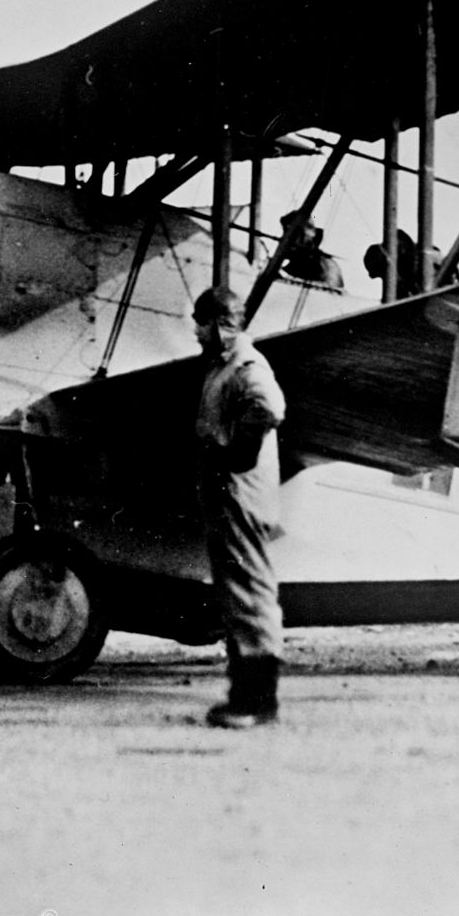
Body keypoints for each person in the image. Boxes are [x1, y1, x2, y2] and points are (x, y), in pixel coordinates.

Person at [191, 286, 287, 728]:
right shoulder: (224, 365)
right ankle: (243, 695)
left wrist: (236, 457)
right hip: (227, 493)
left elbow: (268, 408)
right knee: (236, 594)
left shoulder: (247, 366)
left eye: (200, 322)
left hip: (241, 494)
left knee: (250, 592)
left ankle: (258, 700)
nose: (195, 331)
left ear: (218, 324)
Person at [277, 210, 343, 290]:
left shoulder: (326, 266)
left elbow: (329, 291)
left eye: (291, 234)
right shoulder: (296, 264)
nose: (283, 238)